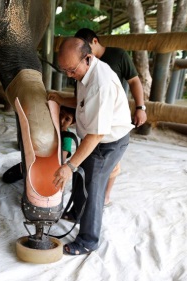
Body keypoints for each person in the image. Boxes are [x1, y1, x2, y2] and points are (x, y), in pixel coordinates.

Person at [48, 37, 134, 256]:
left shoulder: (101, 83)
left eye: (71, 70)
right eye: (64, 70)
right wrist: (68, 109)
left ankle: (88, 240)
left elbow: (96, 135)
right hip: (93, 137)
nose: (68, 75)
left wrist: (69, 165)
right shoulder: (84, 71)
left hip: (108, 142)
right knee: (80, 175)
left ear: (88, 58)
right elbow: (85, 105)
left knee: (93, 185)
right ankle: (77, 211)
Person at [75, 28, 147, 206]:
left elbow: (134, 81)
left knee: (110, 164)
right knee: (88, 162)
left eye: (84, 47)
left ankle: (105, 196)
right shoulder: (80, 62)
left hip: (113, 119)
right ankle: (87, 200)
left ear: (94, 42)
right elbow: (81, 98)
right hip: (91, 117)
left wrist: (140, 107)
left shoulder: (118, 55)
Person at [2, 105, 76, 183]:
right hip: (35, 160)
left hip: (50, 166)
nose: (62, 121)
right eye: (61, 115)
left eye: (67, 119)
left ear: (72, 123)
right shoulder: (48, 127)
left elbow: (61, 159)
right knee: (7, 177)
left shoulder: (67, 137)